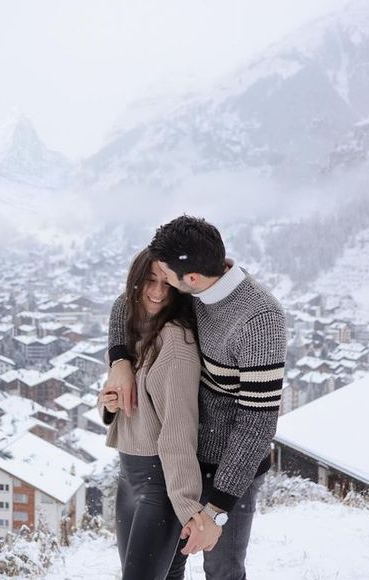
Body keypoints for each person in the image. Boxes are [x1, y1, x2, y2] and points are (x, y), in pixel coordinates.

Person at [104, 216, 287, 580]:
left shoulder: (259, 320)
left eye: (167, 278)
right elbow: (127, 303)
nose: (161, 289)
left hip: (230, 469)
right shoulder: (197, 291)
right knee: (168, 565)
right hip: (182, 460)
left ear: (189, 279)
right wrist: (119, 360)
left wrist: (217, 509)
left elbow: (257, 424)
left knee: (221, 568)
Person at [99, 248, 221, 580]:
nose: (156, 292)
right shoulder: (135, 330)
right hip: (128, 478)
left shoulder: (176, 342)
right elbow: (136, 406)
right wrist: (111, 403)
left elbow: (179, 430)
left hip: (159, 485)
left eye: (166, 283)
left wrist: (186, 504)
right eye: (149, 280)